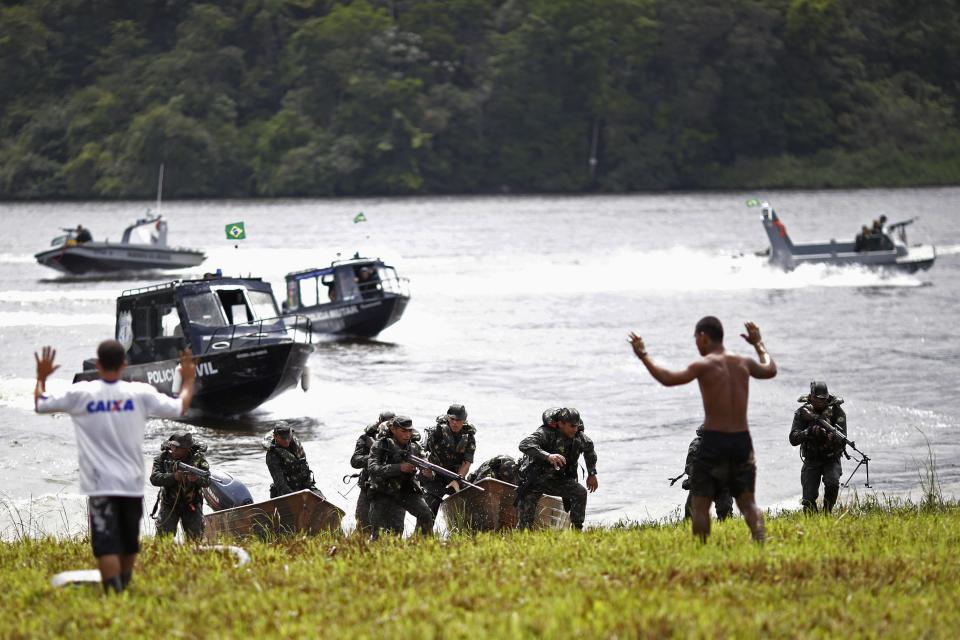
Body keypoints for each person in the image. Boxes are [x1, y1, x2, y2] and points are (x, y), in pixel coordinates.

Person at [34, 340, 196, 594]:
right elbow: (180, 406)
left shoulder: (82, 393)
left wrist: (41, 377)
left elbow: (41, 404)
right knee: (129, 543)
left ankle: (114, 592)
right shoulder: (140, 393)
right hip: (131, 483)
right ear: (124, 364)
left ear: (98, 365)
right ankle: (123, 586)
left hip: (99, 484)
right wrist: (187, 380)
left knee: (106, 544)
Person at [628, 317, 777, 543]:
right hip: (741, 440)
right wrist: (758, 344)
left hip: (714, 441)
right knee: (748, 503)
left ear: (703, 337)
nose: (696, 344)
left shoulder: (704, 365)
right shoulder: (743, 362)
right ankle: (760, 541)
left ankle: (702, 549)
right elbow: (770, 369)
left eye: (695, 339)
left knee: (700, 504)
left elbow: (668, 379)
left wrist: (643, 356)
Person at [516, 407, 598, 530]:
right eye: (571, 426)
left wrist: (591, 474)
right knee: (525, 521)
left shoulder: (579, 437)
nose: (575, 430)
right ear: (561, 424)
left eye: (576, 426)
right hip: (534, 480)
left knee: (580, 492)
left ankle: (577, 530)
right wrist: (548, 456)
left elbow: (590, 451)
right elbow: (524, 444)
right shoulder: (545, 433)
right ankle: (522, 534)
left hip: (558, 480)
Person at [366, 415, 435, 538]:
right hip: (382, 492)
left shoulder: (415, 447)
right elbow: (373, 468)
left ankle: (421, 545)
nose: (407, 434)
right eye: (403, 431)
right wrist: (399, 468)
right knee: (380, 534)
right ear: (393, 429)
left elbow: (426, 466)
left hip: (405, 490)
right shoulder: (381, 445)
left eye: (410, 431)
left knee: (425, 514)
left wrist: (428, 473)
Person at [790, 381, 847, 514]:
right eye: (818, 399)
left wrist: (832, 439)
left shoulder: (837, 412)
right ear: (812, 397)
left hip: (831, 458)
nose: (821, 402)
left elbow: (843, 438)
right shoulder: (803, 413)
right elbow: (793, 438)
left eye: (824, 399)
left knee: (832, 484)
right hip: (811, 458)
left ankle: (827, 513)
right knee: (808, 499)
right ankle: (812, 522)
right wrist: (809, 432)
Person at [150, 432, 210, 540]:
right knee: (163, 540)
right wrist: (174, 477)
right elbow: (154, 478)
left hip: (192, 505)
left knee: (195, 539)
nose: (174, 450)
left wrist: (196, 479)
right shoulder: (162, 458)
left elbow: (207, 481)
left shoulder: (198, 458)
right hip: (169, 504)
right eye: (173, 446)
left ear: (187, 449)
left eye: (178, 448)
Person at [422, 403, 477, 516]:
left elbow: (466, 463)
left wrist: (457, 479)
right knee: (430, 508)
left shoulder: (469, 436)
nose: (455, 423)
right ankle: (424, 532)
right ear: (448, 418)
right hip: (434, 475)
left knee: (468, 504)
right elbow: (422, 454)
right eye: (452, 419)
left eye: (459, 420)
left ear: (464, 420)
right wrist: (426, 470)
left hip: (456, 475)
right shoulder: (435, 432)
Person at [349, 410, 395, 534]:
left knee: (391, 527)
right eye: (384, 423)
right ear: (379, 422)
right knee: (362, 522)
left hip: (392, 487)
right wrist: (374, 457)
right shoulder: (367, 438)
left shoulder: (399, 439)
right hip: (368, 485)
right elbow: (355, 461)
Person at [682, 426, 733, 521]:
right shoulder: (696, 446)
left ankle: (725, 531)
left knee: (726, 514)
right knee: (690, 516)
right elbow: (690, 468)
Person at [264, 424, 322, 498]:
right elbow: (281, 485)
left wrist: (310, 490)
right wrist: (296, 497)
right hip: (286, 492)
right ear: (275, 437)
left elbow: (305, 469)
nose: (286, 441)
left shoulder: (295, 444)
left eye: (288, 438)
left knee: (322, 501)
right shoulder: (272, 455)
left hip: (304, 487)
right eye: (283, 438)